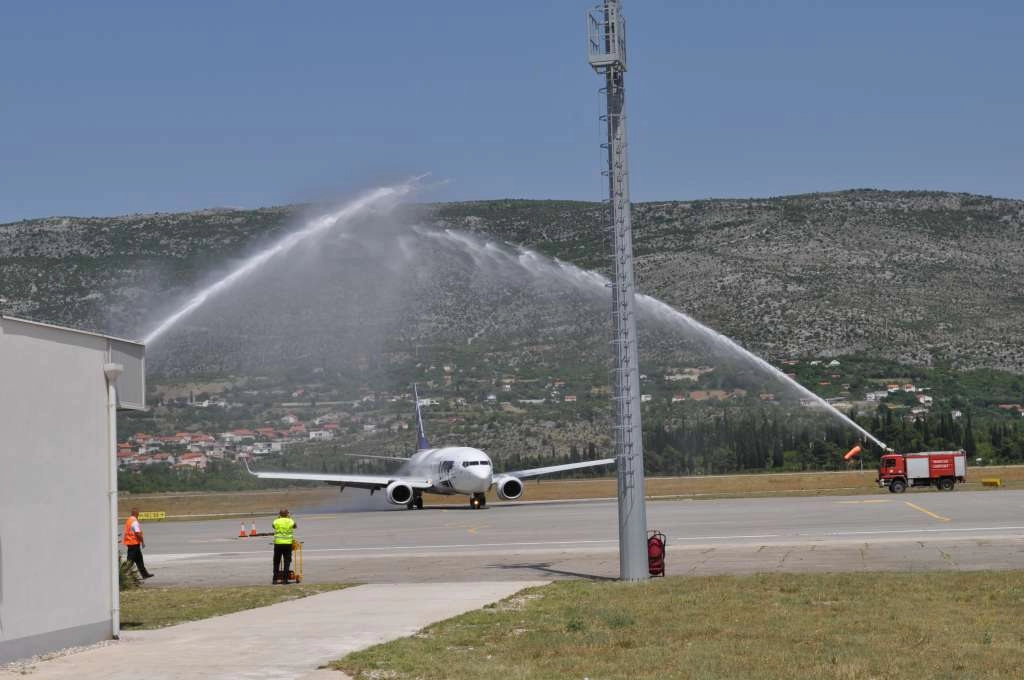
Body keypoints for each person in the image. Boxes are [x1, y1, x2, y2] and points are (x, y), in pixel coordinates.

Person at [124, 508, 154, 579]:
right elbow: (138, 533)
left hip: (131, 543)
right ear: (136, 514)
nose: (138, 516)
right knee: (130, 561)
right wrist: (142, 542)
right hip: (133, 544)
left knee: (139, 559)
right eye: (138, 514)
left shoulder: (129, 520)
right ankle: (124, 574)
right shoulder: (134, 522)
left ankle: (145, 574)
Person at [272, 508, 297, 584]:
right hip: (287, 544)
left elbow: (273, 526)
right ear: (287, 514)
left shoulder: (276, 521)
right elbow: (295, 526)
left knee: (276, 561)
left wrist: (279, 518)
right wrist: (289, 518)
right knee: (287, 561)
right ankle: (285, 580)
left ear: (279, 514)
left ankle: (275, 579)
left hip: (278, 544)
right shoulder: (290, 521)